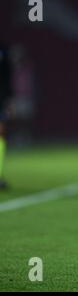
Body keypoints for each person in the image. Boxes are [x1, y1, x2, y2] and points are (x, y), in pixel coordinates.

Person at [0, 44, 13, 189]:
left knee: (0, 134)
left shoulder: (3, 50)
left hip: (0, 100)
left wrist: (9, 100)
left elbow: (7, 77)